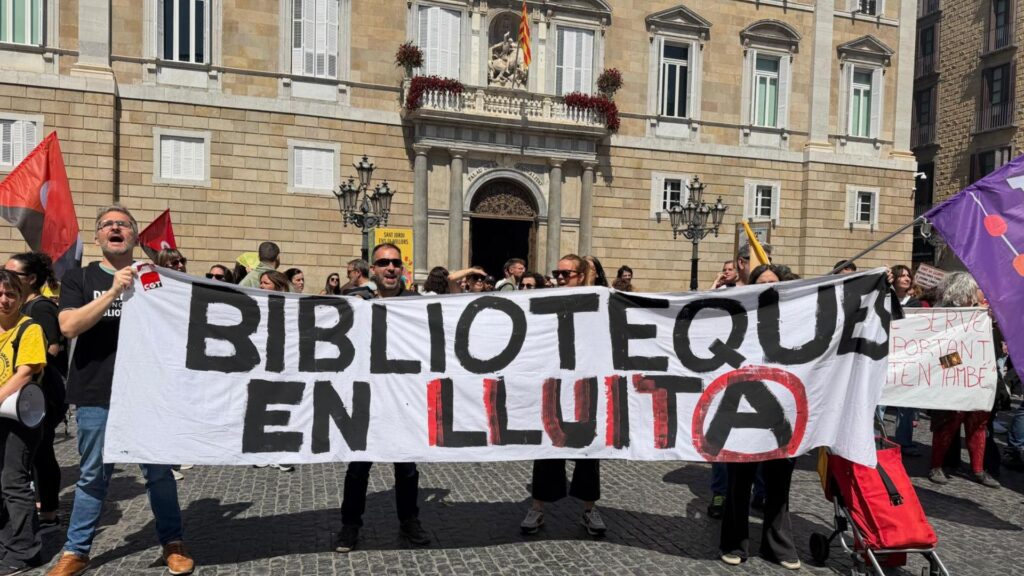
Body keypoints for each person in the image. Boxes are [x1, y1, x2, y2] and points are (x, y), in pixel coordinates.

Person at [50, 205, 194, 576]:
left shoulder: (155, 278)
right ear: (98, 235)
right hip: (96, 393)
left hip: (149, 394)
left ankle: (172, 543)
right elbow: (69, 326)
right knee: (92, 476)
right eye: (107, 224)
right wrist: (114, 290)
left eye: (123, 224)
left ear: (134, 235)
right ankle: (76, 551)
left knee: (159, 474)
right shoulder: (79, 278)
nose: (115, 228)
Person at [335, 243, 430, 553]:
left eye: (395, 262)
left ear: (402, 268)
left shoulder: (417, 303)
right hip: (366, 398)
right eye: (384, 262)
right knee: (358, 467)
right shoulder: (354, 302)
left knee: (407, 467)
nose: (391, 267)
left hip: (403, 397)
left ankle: (409, 520)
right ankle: (350, 526)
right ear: (373, 269)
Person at [720, 262, 800, 571]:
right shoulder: (738, 317)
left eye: (773, 282)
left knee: (779, 484)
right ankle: (734, 542)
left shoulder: (795, 319)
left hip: (782, 409)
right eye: (762, 281)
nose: (768, 286)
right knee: (739, 482)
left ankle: (776, 545)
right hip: (743, 407)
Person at [521, 254, 606, 537]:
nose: (559, 278)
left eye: (566, 274)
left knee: (588, 452)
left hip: (585, 387)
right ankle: (537, 507)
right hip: (553, 386)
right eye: (557, 273)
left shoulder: (596, 303)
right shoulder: (544, 301)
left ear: (580, 277)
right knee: (546, 448)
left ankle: (589, 509)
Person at [5, 253, 67, 535]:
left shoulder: (39, 309)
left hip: (37, 395)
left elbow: (52, 347)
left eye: (12, 274)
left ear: (30, 279)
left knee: (41, 455)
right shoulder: (22, 307)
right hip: (21, 394)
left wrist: (27, 362)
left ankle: (48, 514)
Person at [928, 272, 1000, 488]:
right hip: (953, 380)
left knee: (978, 425)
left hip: (979, 379)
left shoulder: (982, 315)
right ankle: (936, 466)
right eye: (976, 289)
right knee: (947, 425)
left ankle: (978, 469)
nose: (980, 293)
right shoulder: (942, 316)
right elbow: (937, 353)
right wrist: (961, 362)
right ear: (963, 291)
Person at [0, 268, 48, 575]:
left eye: (11, 294)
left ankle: (24, 552)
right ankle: (6, 543)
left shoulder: (29, 328)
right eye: (0, 294)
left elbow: (25, 372)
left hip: (17, 418)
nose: (4, 300)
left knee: (14, 483)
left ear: (20, 298)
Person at [890, 264, 921, 456]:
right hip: (886, 355)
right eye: (902, 275)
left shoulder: (916, 304)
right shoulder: (884, 298)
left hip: (908, 357)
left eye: (908, 275)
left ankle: (904, 441)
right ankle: (877, 440)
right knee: (880, 400)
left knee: (906, 401)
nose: (906, 278)